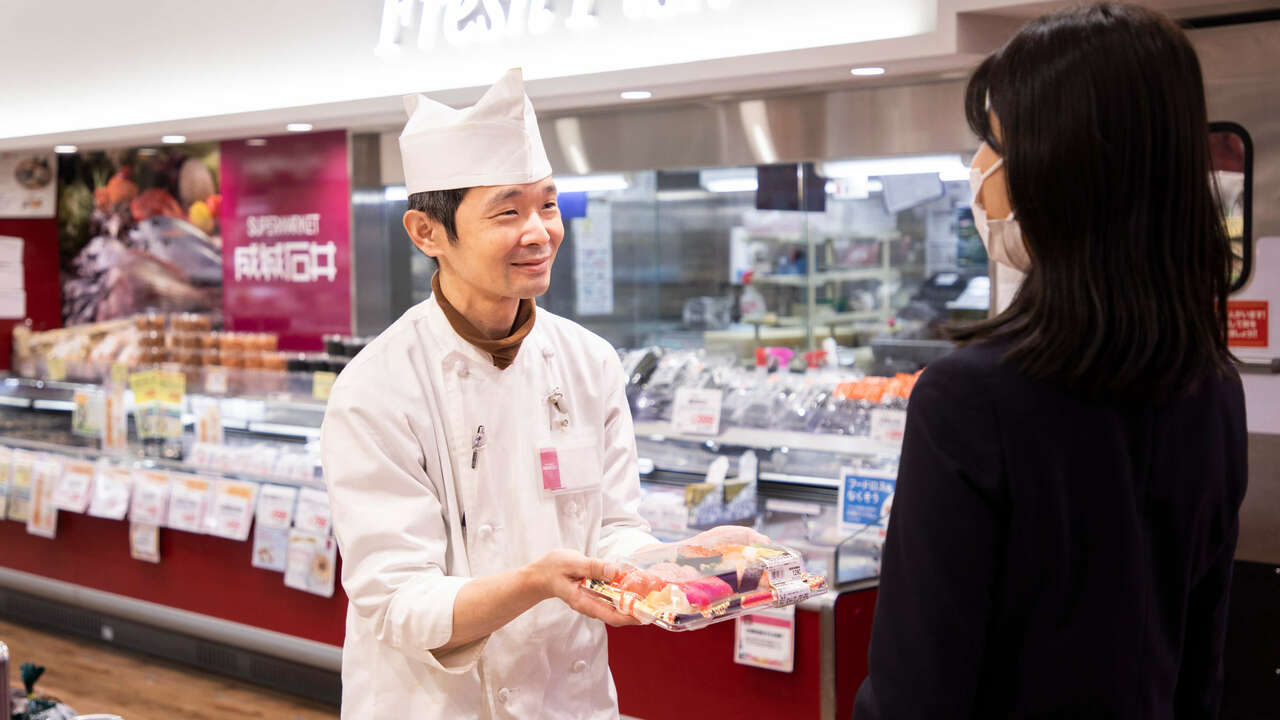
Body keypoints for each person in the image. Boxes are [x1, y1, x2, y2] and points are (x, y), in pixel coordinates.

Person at [321, 68, 754, 720]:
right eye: (508, 210)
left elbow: (611, 528)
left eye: (548, 205)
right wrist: (532, 583)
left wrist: (675, 561)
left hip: (571, 702)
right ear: (426, 233)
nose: (539, 230)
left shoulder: (587, 362)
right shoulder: (378, 389)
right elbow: (398, 603)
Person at [853, 4, 1247, 718]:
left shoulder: (966, 399)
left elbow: (916, 690)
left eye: (994, 143)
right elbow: (1201, 663)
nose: (978, 171)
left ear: (1064, 171)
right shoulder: (1213, 383)